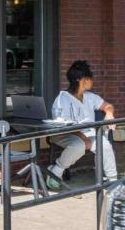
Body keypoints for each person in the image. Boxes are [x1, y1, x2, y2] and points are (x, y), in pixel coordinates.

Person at [47, 60, 117, 190]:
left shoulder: (90, 97)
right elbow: (64, 125)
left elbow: (107, 105)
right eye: (90, 78)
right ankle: (56, 171)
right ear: (83, 80)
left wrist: (109, 113)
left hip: (87, 134)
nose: (92, 81)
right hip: (63, 133)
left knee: (104, 144)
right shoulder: (62, 99)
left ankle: (112, 181)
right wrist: (84, 138)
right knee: (79, 145)